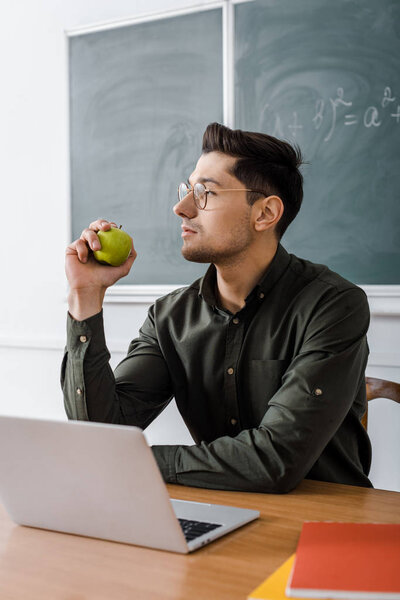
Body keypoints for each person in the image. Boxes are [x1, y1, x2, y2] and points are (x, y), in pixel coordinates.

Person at [61, 122, 372, 493]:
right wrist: (85, 294)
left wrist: (133, 462)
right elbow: (100, 434)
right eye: (186, 190)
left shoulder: (333, 305)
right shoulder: (170, 317)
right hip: (218, 512)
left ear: (265, 214)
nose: (181, 208)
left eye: (204, 192)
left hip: (324, 527)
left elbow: (275, 460)